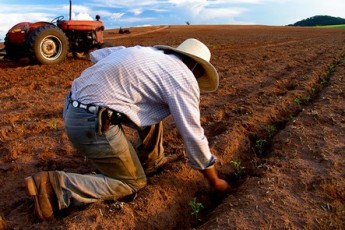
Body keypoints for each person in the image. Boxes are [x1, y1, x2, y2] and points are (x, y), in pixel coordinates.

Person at [24, 38, 231, 221]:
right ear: (197, 68)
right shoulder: (183, 77)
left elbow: (99, 55)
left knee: (153, 108)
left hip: (72, 107)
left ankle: (151, 161)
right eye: (199, 75)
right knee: (133, 183)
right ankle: (54, 187)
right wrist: (214, 180)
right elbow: (193, 134)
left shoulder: (148, 52)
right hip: (92, 122)